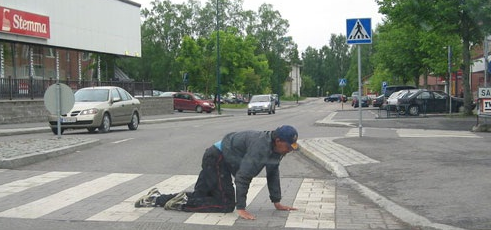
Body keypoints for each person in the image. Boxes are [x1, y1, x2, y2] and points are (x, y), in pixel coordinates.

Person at [135, 125, 299, 220]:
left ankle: (154, 198)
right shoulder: (260, 147)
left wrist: (276, 202)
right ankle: (182, 203)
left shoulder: (277, 151)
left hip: (220, 158)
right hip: (217, 158)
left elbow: (272, 173)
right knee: (226, 204)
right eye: (288, 146)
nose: (290, 150)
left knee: (201, 196)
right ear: (278, 141)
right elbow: (243, 177)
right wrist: (240, 207)